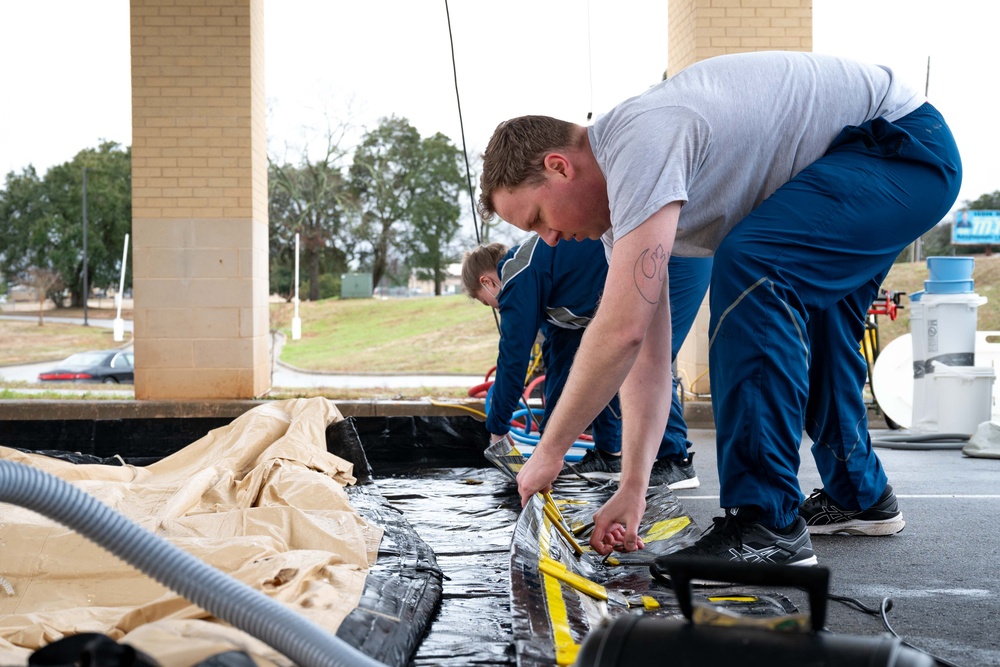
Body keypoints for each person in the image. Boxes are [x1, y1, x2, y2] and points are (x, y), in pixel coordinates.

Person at [476, 50, 961, 565]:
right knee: (816, 326)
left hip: (899, 148)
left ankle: (766, 525)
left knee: (755, 265)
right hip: (879, 164)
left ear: (558, 167)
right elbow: (643, 356)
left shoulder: (636, 142)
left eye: (537, 219)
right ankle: (860, 495)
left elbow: (619, 331)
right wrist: (633, 487)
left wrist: (548, 453)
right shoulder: (622, 219)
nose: (548, 241)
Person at [462, 236, 712, 489]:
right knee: (602, 358)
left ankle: (676, 461)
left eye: (486, 302)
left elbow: (512, 359)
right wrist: (548, 447)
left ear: (488, 282)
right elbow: (565, 365)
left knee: (644, 363)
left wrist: (498, 429)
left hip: (671, 258)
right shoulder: (552, 290)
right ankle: (609, 456)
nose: (496, 306)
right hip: (649, 261)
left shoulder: (517, 275)